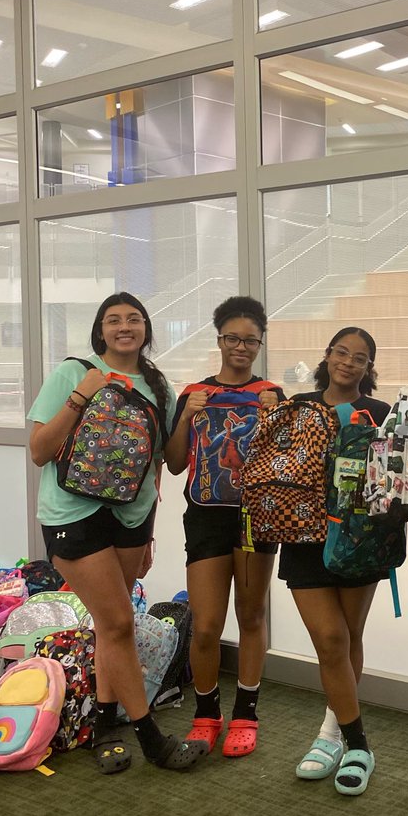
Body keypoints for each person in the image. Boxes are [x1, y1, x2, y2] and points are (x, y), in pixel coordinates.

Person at [28, 292, 207, 773]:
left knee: (113, 625)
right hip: (73, 514)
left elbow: (167, 463)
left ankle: (103, 726)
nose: (123, 326)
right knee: (119, 623)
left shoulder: (157, 385)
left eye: (133, 319)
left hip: (131, 516)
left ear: (146, 328)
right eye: (113, 320)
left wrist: (186, 416)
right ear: (100, 329)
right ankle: (152, 739)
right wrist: (82, 394)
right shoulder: (73, 371)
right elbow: (40, 450)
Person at [165, 296, 282, 758]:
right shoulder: (194, 393)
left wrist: (274, 419)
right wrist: (189, 417)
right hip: (206, 518)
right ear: (218, 340)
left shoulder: (272, 393)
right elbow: (175, 464)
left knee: (251, 616)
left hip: (257, 518)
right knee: (208, 625)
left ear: (259, 344)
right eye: (232, 338)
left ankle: (247, 714)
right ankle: (206, 714)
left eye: (250, 340)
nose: (241, 346)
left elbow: (286, 465)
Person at [280, 326, 393, 796]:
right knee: (328, 638)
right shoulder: (299, 406)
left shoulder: (382, 413)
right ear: (327, 356)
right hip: (304, 534)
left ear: (369, 367)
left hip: (358, 539)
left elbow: (393, 475)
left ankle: (330, 735)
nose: (349, 362)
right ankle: (357, 742)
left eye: (360, 357)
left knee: (349, 637)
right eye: (341, 352)